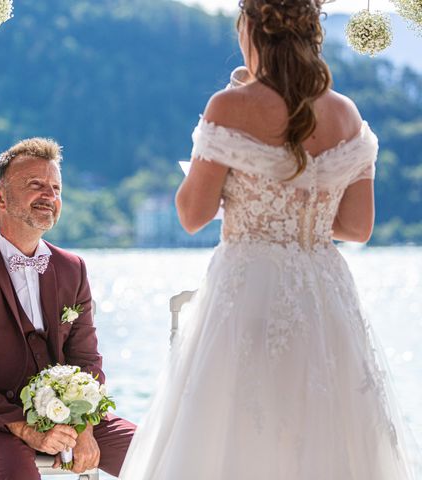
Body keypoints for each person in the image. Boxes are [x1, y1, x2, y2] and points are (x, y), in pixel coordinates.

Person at [120, 0, 418, 478]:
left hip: (248, 293)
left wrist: (242, 193)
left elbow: (192, 214)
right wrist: (303, 214)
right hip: (325, 294)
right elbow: (357, 228)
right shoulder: (345, 114)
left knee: (234, 435)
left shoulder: (231, 106)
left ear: (251, 30)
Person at [0, 138, 135, 479]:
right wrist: (24, 427)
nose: (49, 196)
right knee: (15, 473)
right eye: (36, 185)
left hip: (68, 418)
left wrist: (84, 426)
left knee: (155, 452)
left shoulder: (72, 268)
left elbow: (86, 359)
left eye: (55, 187)